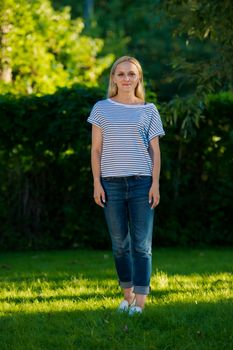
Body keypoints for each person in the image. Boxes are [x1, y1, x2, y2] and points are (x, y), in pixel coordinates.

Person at [87, 56, 165, 315]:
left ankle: (140, 302)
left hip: (142, 183)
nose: (126, 78)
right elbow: (96, 150)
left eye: (131, 74)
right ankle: (127, 295)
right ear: (113, 78)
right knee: (120, 243)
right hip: (111, 184)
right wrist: (97, 183)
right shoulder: (101, 108)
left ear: (139, 78)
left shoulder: (149, 110)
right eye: (121, 74)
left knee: (142, 244)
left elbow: (155, 151)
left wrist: (155, 184)